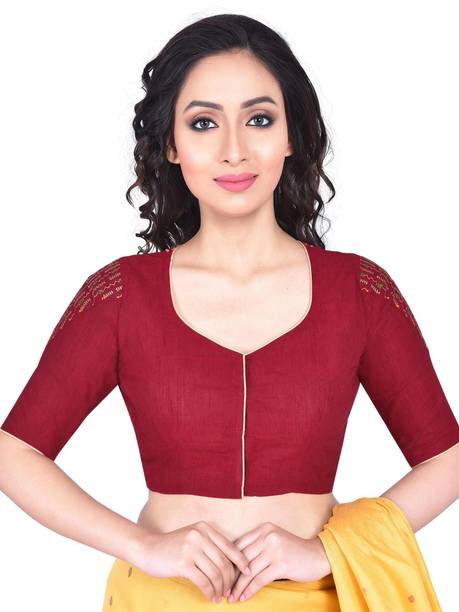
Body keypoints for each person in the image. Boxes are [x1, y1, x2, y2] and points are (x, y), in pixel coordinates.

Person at [1, 13, 458, 611]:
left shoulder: (358, 291)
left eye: (259, 119)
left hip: (316, 599)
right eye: (204, 123)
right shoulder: (121, 296)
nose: (234, 149)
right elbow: (15, 453)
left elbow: (447, 457)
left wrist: (327, 553)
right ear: (171, 144)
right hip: (160, 602)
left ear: (292, 135)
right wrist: (142, 546)